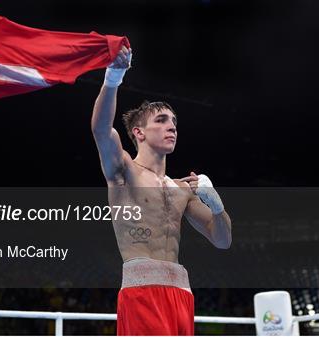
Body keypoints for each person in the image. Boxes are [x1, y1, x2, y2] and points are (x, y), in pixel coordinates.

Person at [91, 45, 232, 335]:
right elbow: (101, 130)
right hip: (142, 291)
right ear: (139, 133)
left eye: (174, 122)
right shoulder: (124, 171)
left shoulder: (184, 188)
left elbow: (222, 241)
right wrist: (113, 77)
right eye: (161, 120)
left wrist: (217, 207)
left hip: (181, 292)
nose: (172, 127)